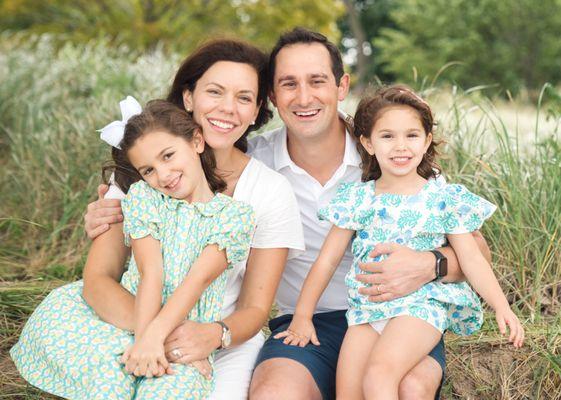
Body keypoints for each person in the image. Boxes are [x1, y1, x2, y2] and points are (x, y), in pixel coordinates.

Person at [86, 29, 491, 399]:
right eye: (288, 84)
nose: (303, 97)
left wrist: (430, 264)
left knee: (408, 387)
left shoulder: (391, 155)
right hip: (306, 324)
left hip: (399, 316)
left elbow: (478, 256)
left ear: (341, 86)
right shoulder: (253, 165)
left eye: (316, 81)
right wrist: (112, 211)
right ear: (274, 99)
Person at [27, 39, 305, 400]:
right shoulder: (141, 172)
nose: (227, 108)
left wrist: (205, 336)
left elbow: (255, 308)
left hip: (218, 337)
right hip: (129, 321)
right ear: (188, 97)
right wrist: (154, 335)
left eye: (243, 98)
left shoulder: (268, 191)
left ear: (256, 112)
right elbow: (98, 279)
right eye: (215, 92)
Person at [274, 85, 525, 400]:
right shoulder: (359, 198)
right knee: (348, 393)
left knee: (379, 377)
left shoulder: (442, 198)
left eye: (411, 135)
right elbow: (327, 260)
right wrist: (302, 315)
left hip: (420, 308)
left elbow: (472, 259)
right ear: (368, 142)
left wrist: (502, 306)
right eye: (388, 136)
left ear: (427, 140)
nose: (400, 146)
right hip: (366, 310)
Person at [11, 98, 260, 399]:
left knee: (169, 390)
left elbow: (198, 281)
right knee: (110, 386)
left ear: (196, 141)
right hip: (128, 321)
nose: (163, 175)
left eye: (168, 156)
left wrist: (158, 340)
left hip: (181, 331)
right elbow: (150, 272)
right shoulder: (146, 199)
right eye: (148, 170)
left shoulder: (235, 217)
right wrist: (144, 341)